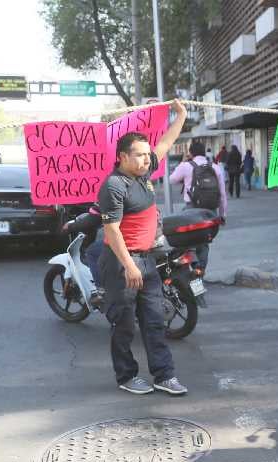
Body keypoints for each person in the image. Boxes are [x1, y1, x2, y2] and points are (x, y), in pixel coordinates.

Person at [96, 99, 188, 396]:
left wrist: (181, 115)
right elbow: (111, 230)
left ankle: (164, 375)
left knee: (154, 321)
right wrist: (130, 265)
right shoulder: (114, 186)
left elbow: (166, 142)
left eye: (147, 155)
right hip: (124, 265)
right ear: (123, 157)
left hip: (146, 262)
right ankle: (126, 376)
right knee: (123, 325)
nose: (148, 160)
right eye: (140, 155)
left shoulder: (143, 176)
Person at [169, 141, 228, 271]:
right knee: (204, 242)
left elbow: (171, 179)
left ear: (190, 153)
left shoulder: (186, 166)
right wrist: (222, 215)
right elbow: (222, 194)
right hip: (210, 210)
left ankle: (191, 267)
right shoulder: (215, 167)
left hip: (191, 209)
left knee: (186, 240)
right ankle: (200, 271)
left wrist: (183, 161)